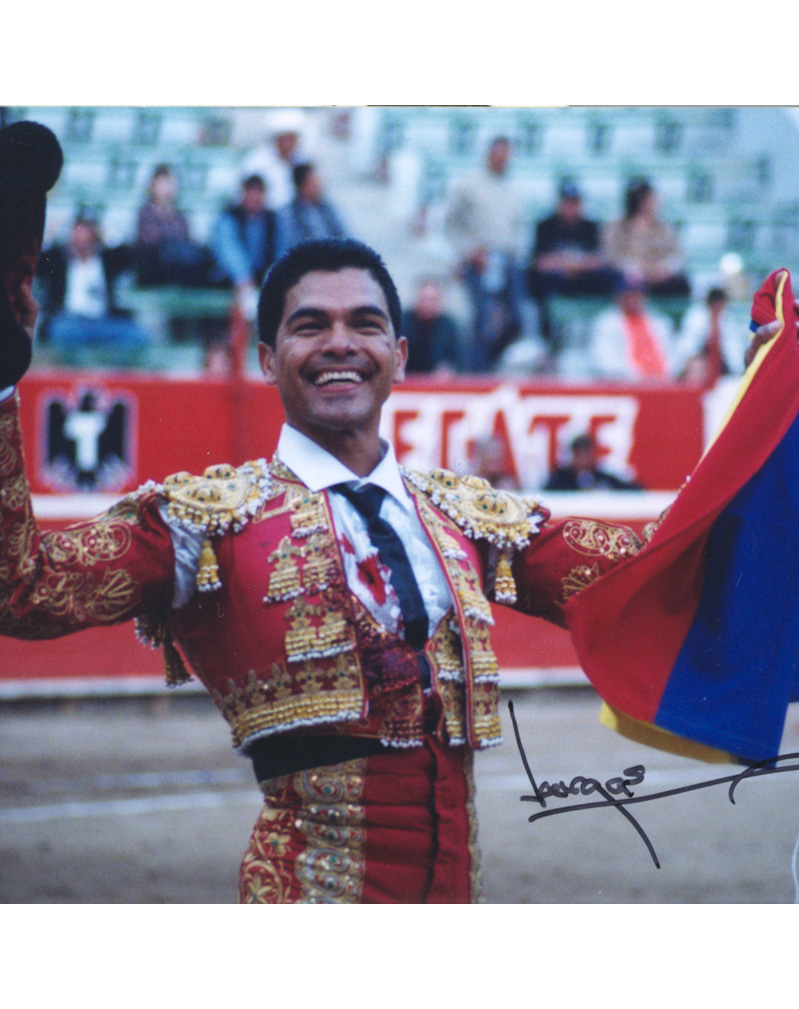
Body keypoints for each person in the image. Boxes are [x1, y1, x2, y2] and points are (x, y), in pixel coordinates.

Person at [2, 126, 797, 903]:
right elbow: (24, 588)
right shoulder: (199, 522)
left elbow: (653, 571)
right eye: (309, 325)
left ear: (401, 355)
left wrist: (770, 406)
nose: (340, 343)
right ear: (267, 358)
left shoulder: (466, 518)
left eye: (365, 324)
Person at [443, 136, 529, 372]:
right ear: (489, 154)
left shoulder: (513, 190)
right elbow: (451, 224)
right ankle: (477, 372)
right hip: (479, 258)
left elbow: (519, 228)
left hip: (507, 259)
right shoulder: (468, 185)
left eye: (507, 154)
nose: (503, 158)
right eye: (499, 153)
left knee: (517, 318)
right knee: (482, 319)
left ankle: (497, 362)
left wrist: (516, 253)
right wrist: (469, 251)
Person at [35, 216, 149, 356]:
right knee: (60, 332)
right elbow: (36, 264)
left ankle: (112, 373)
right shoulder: (59, 261)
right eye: (78, 236)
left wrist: (109, 235)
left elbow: (132, 259)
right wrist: (48, 237)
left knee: (137, 336)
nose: (82, 242)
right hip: (70, 320)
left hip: (104, 321)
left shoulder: (107, 261)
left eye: (87, 236)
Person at [527, 180, 620, 350]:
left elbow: (598, 261)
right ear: (560, 203)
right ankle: (547, 342)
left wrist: (565, 264)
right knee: (540, 279)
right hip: (558, 282)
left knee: (611, 277)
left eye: (575, 202)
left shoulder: (590, 226)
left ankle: (607, 335)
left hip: (583, 281)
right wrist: (577, 264)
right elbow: (541, 263)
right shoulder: (546, 226)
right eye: (567, 202)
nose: (571, 207)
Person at [602, 178, 691, 297]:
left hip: (659, 275)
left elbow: (676, 255)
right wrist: (632, 269)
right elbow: (612, 255)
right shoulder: (617, 226)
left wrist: (664, 270)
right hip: (629, 276)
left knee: (682, 284)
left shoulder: (664, 227)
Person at [134, 164, 214, 287]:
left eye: (168, 183)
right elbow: (150, 243)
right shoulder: (145, 214)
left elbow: (185, 240)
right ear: (152, 186)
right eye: (161, 183)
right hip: (155, 268)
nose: (165, 188)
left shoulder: (180, 217)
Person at [209, 174, 278, 315]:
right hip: (233, 280)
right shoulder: (229, 218)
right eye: (251, 192)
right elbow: (229, 250)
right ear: (243, 194)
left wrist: (273, 276)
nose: (255, 198)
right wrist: (243, 276)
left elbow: (281, 251)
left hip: (265, 277)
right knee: (245, 300)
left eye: (259, 193)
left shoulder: (274, 220)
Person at [589, 277, 678, 380]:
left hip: (665, 383)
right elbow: (605, 363)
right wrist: (640, 376)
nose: (632, 299)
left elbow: (673, 356)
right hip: (625, 386)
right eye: (627, 295)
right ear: (618, 296)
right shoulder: (605, 323)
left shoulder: (661, 321)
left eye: (636, 294)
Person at [238, 109, 308, 213]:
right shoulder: (255, 162)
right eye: (285, 138)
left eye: (292, 138)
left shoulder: (302, 161)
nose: (289, 143)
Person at [274, 162, 348, 258]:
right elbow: (290, 247)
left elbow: (344, 235)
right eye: (315, 182)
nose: (320, 185)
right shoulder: (287, 214)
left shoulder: (327, 208)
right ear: (303, 185)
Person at [675, 286, 746, 385]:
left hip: (724, 374)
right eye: (714, 301)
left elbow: (735, 358)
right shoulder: (695, 318)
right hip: (699, 369)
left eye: (720, 301)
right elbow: (687, 350)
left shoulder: (730, 320)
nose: (717, 305)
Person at [400, 277, 463, 375]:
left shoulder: (450, 326)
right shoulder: (402, 323)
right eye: (424, 299)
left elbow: (459, 360)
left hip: (438, 387)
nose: (428, 304)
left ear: (441, 301)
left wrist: (449, 369)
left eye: (433, 300)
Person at [545, 433, 641, 491]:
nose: (583, 458)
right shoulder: (561, 479)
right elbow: (548, 494)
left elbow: (633, 490)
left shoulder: (602, 477)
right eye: (579, 453)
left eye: (586, 453)